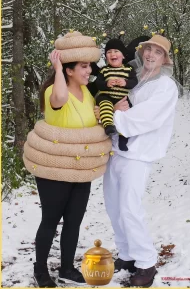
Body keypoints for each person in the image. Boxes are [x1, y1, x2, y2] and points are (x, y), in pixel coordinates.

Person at [102, 35, 178, 287]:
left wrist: (114, 114)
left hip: (138, 154)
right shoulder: (133, 77)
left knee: (129, 208)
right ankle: (126, 254)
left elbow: (146, 118)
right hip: (116, 150)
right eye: (148, 49)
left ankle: (146, 262)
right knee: (114, 206)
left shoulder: (165, 86)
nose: (150, 55)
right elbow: (113, 96)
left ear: (164, 58)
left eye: (157, 52)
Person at [32, 31, 101, 287]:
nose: (89, 70)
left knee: (74, 221)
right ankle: (40, 270)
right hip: (54, 169)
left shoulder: (89, 93)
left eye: (90, 65)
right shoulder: (55, 90)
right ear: (70, 70)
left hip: (80, 169)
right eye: (84, 66)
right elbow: (60, 99)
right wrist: (57, 68)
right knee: (51, 219)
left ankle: (67, 268)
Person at [95, 38, 138, 151]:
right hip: (107, 96)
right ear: (106, 57)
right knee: (105, 105)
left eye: (116, 51)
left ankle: (123, 139)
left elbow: (134, 81)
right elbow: (97, 83)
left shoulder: (128, 69)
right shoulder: (104, 70)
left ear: (123, 56)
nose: (112, 54)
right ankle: (108, 125)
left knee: (127, 114)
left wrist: (126, 82)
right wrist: (106, 83)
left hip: (122, 97)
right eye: (109, 52)